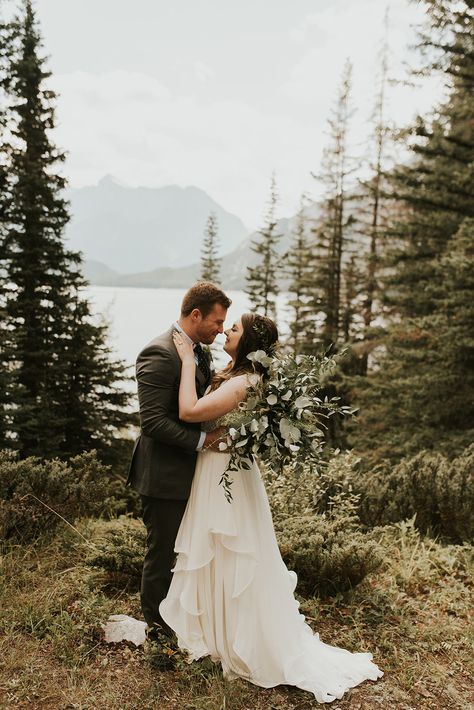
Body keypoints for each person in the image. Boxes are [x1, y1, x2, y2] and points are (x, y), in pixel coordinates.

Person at [159, 312, 384, 704]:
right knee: (216, 550)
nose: (227, 330)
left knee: (228, 549)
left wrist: (184, 362)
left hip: (224, 477)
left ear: (249, 344)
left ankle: (235, 638)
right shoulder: (235, 371)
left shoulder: (246, 380)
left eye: (235, 328)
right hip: (217, 470)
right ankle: (216, 631)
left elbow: (189, 413)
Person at [126, 282, 232, 646]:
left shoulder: (199, 352)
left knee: (187, 552)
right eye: (217, 322)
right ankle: (157, 633)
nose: (221, 329)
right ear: (196, 314)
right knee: (163, 553)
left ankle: (181, 622)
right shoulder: (158, 353)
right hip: (164, 475)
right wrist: (204, 442)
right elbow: (153, 422)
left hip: (193, 473)